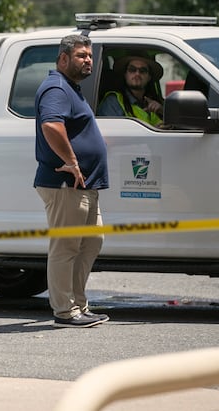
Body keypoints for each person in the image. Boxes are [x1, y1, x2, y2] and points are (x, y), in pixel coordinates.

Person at [34, 34, 109, 328]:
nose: (88, 60)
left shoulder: (70, 88)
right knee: (65, 247)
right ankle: (64, 312)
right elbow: (51, 125)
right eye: (81, 55)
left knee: (91, 241)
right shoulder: (56, 87)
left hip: (84, 185)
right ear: (63, 59)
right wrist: (72, 161)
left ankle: (78, 304)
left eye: (89, 55)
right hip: (64, 184)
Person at [97, 52, 164, 125]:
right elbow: (112, 133)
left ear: (149, 77)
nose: (137, 74)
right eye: (132, 69)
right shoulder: (113, 102)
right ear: (125, 74)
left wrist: (162, 111)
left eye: (142, 71)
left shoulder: (155, 102)